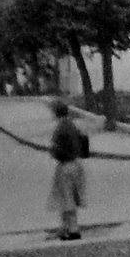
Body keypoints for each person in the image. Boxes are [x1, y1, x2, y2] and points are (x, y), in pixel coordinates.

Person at [47, 100, 87, 240]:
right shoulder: (73, 125)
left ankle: (72, 229)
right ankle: (66, 227)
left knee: (66, 197)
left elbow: (57, 149)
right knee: (70, 196)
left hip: (66, 165)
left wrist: (53, 151)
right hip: (76, 163)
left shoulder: (61, 128)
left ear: (56, 112)